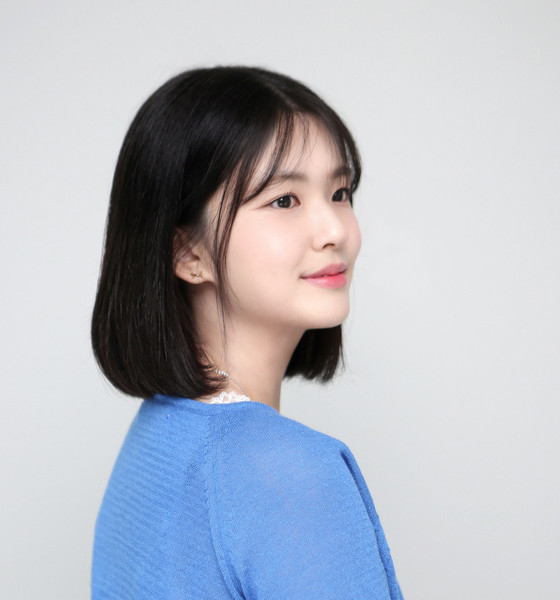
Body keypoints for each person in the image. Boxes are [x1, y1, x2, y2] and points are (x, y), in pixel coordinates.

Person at [91, 66, 404, 599]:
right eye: (284, 200)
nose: (335, 230)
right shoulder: (292, 476)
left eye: (340, 191)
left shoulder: (157, 439)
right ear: (187, 252)